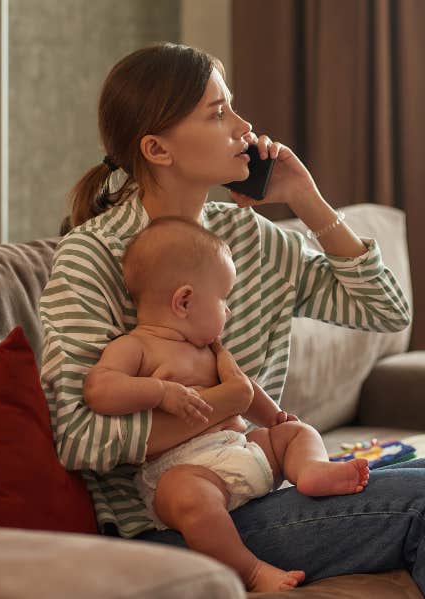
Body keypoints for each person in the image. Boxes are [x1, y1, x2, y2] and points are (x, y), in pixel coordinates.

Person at [39, 41, 425, 598]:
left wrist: (305, 200)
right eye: (217, 113)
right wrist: (223, 405)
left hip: (262, 485)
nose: (243, 125)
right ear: (158, 149)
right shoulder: (91, 257)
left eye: (232, 106)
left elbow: (386, 311)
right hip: (176, 523)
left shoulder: (247, 239)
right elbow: (78, 437)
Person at [84, 216, 370, 591]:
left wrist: (276, 418)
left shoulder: (210, 351)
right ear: (184, 300)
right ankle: (249, 570)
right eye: (223, 299)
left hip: (238, 450)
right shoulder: (134, 346)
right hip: (183, 470)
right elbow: (98, 389)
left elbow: (244, 389)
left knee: (296, 433)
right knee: (188, 497)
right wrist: (160, 392)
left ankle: (313, 470)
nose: (228, 312)